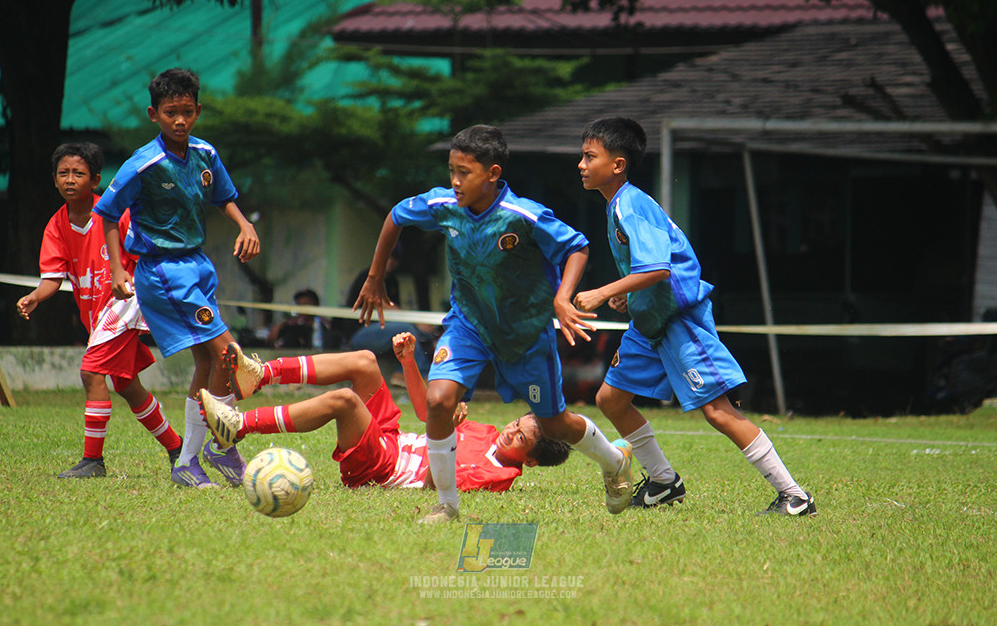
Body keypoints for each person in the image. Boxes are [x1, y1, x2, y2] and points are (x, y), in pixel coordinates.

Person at [354, 124, 634, 523]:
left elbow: (577, 247)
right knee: (439, 401)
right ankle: (447, 505)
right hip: (468, 326)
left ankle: (614, 461)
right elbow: (396, 216)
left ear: (492, 174)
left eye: (464, 172)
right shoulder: (444, 204)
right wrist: (374, 277)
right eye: (451, 170)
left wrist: (561, 298)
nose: (454, 181)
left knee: (553, 424)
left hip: (525, 335)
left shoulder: (522, 215)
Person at [573, 117, 816, 516]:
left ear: (617, 164)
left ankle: (795, 496)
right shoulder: (618, 204)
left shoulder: (631, 203)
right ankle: (664, 482)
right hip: (650, 321)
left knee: (717, 411)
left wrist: (602, 291)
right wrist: (628, 296)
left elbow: (658, 269)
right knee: (611, 399)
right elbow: (647, 272)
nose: (581, 164)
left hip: (678, 319)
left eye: (589, 156)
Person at [93, 68, 260, 489]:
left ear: (198, 110)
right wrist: (116, 270)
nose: (180, 120)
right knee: (229, 355)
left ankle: (188, 462)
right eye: (171, 113)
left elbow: (224, 197)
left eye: (187, 111)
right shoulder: (143, 163)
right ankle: (221, 446)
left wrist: (245, 225)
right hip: (164, 271)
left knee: (209, 361)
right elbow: (108, 214)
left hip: (198, 264)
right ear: (154, 114)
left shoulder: (205, 153)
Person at [202, 332, 571, 493]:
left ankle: (238, 426)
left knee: (345, 401)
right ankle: (262, 374)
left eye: (520, 437)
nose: (510, 431)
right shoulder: (488, 432)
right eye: (516, 423)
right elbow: (428, 414)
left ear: (530, 461)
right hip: (390, 438)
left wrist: (447, 436)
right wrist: (409, 362)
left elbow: (435, 484)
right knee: (365, 362)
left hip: (382, 467)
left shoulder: (500, 475)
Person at [16, 143, 183, 479]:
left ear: (95, 180)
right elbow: (52, 278)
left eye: (78, 173)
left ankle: (93, 461)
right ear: (54, 180)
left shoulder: (115, 214)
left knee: (91, 373)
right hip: (95, 314)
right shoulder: (56, 225)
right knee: (126, 384)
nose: (70, 179)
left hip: (125, 304)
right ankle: (178, 448)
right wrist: (35, 296)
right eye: (63, 173)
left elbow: (144, 256)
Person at [336, 244, 434, 375]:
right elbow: (384, 306)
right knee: (405, 329)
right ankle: (419, 372)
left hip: (382, 332)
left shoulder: (392, 281)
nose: (391, 261)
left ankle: (423, 371)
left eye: (396, 258)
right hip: (358, 334)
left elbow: (395, 311)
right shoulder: (369, 277)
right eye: (388, 256)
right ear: (379, 257)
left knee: (424, 334)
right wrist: (417, 322)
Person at [266, 288, 336, 350]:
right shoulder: (291, 326)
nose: (303, 308)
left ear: (316, 304)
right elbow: (271, 341)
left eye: (306, 303)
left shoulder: (326, 325)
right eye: (299, 304)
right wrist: (279, 326)